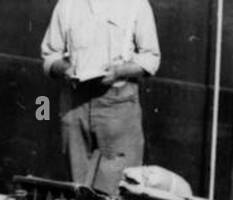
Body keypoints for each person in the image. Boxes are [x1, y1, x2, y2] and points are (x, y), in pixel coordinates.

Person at [41, 0, 161, 189]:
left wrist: (120, 72)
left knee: (118, 191)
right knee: (75, 191)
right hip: (74, 106)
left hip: (118, 108)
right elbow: (50, 55)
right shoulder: (68, 4)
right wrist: (65, 69)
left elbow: (151, 58)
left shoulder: (136, 5)